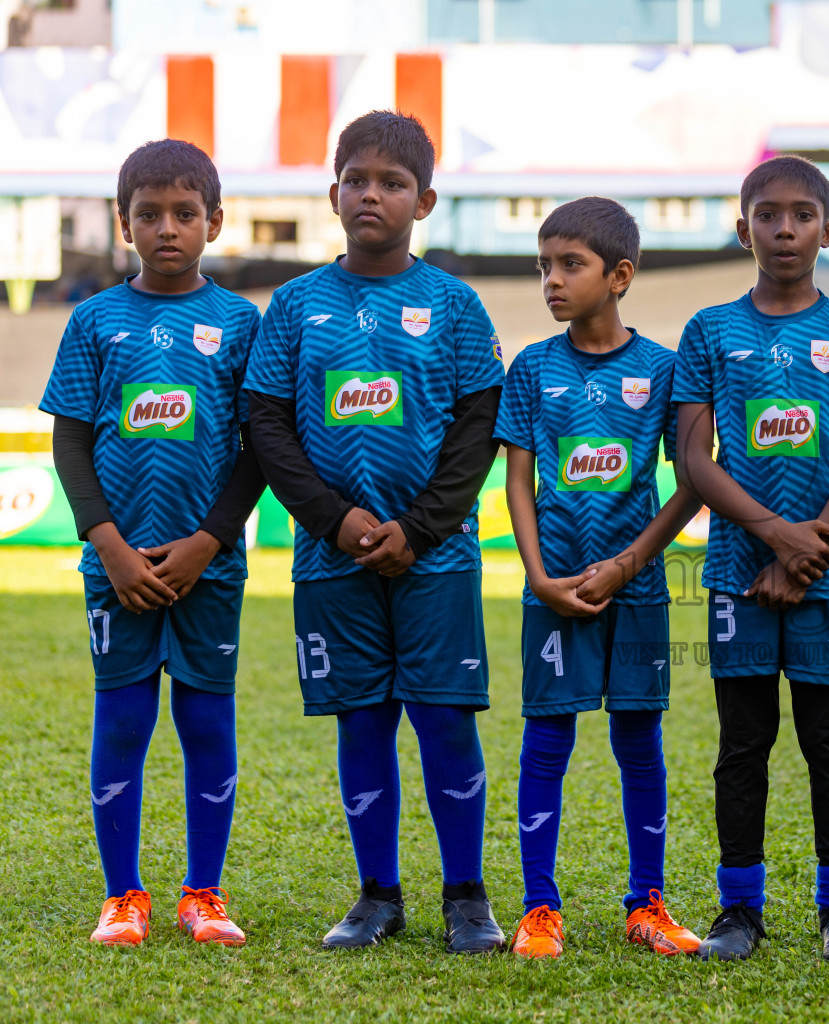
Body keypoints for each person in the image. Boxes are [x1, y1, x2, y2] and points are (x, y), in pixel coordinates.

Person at [243, 110, 507, 953]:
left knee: (443, 721)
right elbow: (266, 425)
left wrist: (420, 529)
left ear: (424, 201)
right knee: (362, 723)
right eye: (356, 178)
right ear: (332, 193)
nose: (372, 194)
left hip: (436, 560)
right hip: (331, 560)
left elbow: (477, 427)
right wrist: (335, 518)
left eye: (392, 183)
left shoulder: (455, 306)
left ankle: (467, 898)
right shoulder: (293, 306)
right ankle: (376, 896)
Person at [41, 139, 265, 947]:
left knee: (207, 723)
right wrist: (110, 545)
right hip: (118, 569)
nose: (166, 228)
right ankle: (123, 895)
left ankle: (204, 893)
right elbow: (70, 445)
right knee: (124, 722)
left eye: (183, 213)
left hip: (209, 568)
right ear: (123, 222)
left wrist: (210, 539)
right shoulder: (95, 320)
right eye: (148, 214)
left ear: (214, 220)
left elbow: (258, 447)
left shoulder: (242, 324)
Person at [673, 155, 829, 964]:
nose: (786, 229)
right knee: (743, 743)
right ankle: (740, 909)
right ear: (744, 230)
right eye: (768, 215)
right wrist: (775, 535)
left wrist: (809, 550)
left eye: (803, 215)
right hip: (738, 568)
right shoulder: (709, 331)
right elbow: (695, 459)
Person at [495, 197, 703, 959]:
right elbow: (519, 480)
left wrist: (630, 563)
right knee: (546, 742)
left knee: (639, 742)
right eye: (544, 265)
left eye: (570, 265)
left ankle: (646, 905)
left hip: (637, 591)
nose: (551, 280)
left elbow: (690, 481)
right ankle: (538, 910)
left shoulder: (664, 370)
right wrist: (540, 575)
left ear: (620, 275)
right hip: (553, 592)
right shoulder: (532, 368)